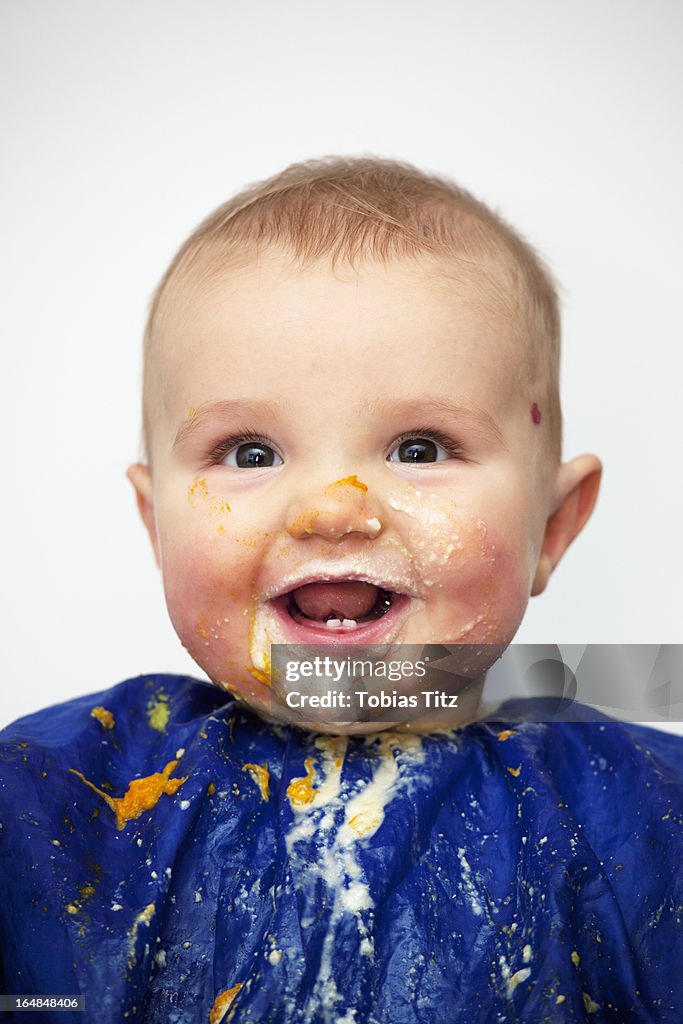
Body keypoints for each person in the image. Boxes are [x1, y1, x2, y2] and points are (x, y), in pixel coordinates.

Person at [1, 157, 681, 1023]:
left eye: (419, 448)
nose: (331, 509)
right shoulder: (55, 802)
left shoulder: (646, 825)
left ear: (550, 529)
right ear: (155, 527)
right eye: (250, 454)